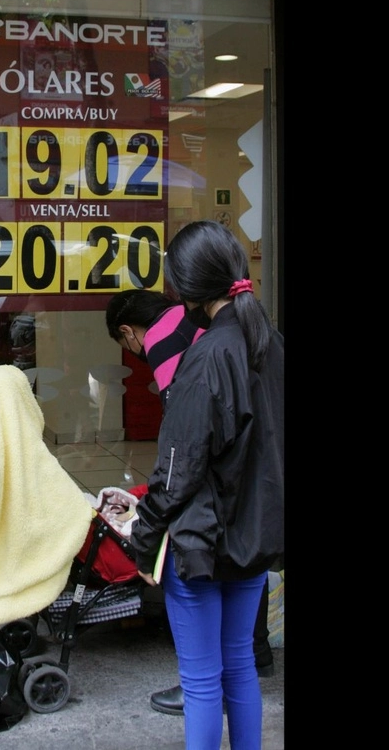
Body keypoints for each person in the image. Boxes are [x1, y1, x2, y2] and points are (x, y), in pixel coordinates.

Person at [128, 220, 283, 750]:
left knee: (200, 682)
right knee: (239, 664)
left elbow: (178, 468)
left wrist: (141, 537)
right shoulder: (271, 343)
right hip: (253, 538)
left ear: (186, 289)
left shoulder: (206, 357)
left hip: (200, 543)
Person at [105, 289, 275, 718]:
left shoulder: (164, 343)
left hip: (207, 523)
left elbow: (182, 452)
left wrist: (147, 526)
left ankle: (201, 682)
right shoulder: (243, 330)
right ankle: (258, 654)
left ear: (127, 332)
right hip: (252, 507)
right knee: (242, 668)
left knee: (202, 685)